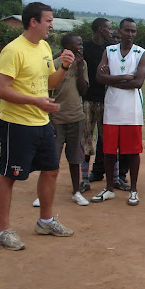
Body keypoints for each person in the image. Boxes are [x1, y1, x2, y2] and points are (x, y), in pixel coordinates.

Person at [0, 2, 76, 250]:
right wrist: (35, 101)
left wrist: (64, 66)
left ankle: (45, 221)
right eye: (48, 20)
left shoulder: (43, 46)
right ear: (33, 22)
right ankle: (4, 230)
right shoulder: (13, 50)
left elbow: (49, 82)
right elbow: (0, 89)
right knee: (9, 175)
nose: (51, 25)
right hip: (17, 124)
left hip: (41, 122)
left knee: (51, 170)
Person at [91, 18, 145, 206]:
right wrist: (124, 77)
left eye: (133, 31)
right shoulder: (109, 51)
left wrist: (111, 80)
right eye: (127, 30)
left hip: (132, 110)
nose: (130, 34)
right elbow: (99, 77)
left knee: (133, 152)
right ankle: (109, 188)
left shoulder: (141, 53)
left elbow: (138, 82)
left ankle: (134, 190)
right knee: (109, 151)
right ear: (120, 30)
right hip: (112, 108)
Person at [38, 33, 90, 207]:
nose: (81, 47)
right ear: (67, 47)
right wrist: (49, 119)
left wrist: (80, 67)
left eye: (81, 44)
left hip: (76, 118)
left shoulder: (82, 64)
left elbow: (83, 91)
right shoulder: (54, 64)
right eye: (78, 44)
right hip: (57, 120)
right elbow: (47, 92)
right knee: (51, 159)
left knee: (75, 159)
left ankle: (76, 192)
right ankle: (43, 194)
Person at [81, 18, 130, 192]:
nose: (111, 32)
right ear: (101, 29)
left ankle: (115, 178)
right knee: (86, 139)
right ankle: (84, 179)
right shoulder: (85, 47)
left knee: (110, 140)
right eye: (109, 29)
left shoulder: (110, 49)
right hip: (87, 99)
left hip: (107, 100)